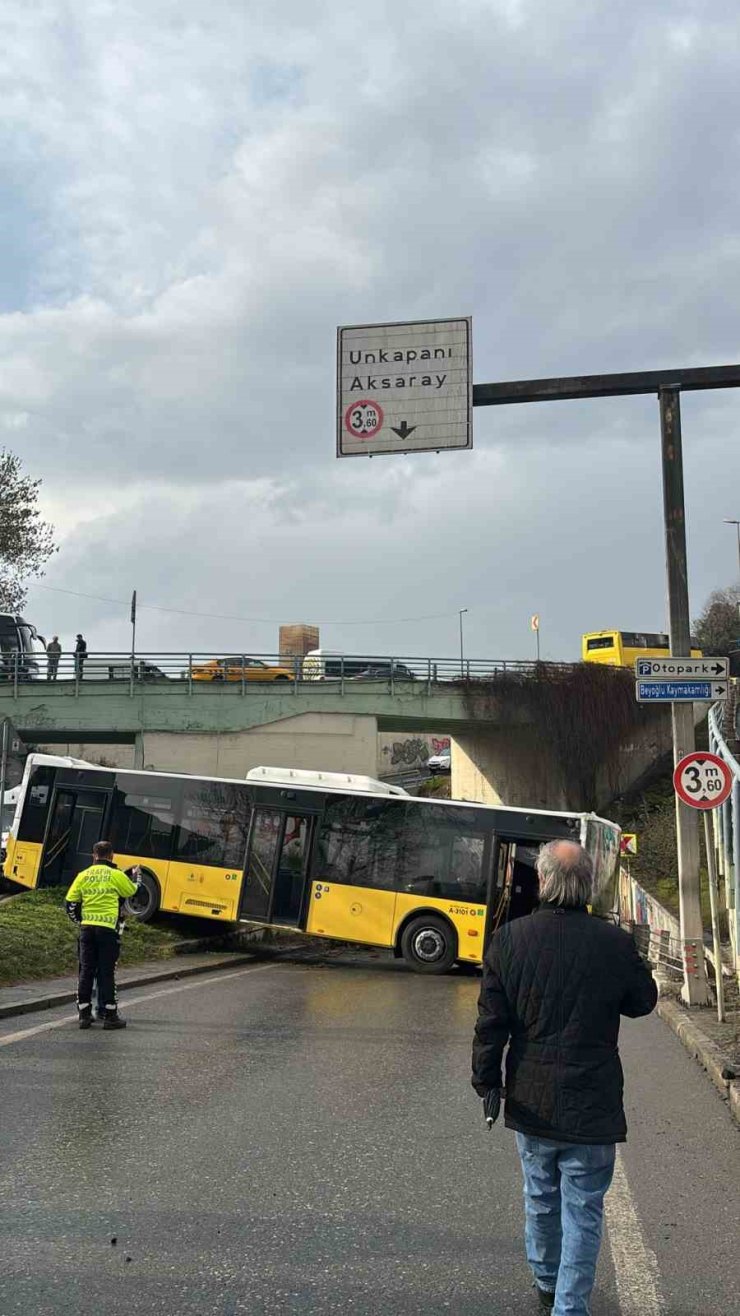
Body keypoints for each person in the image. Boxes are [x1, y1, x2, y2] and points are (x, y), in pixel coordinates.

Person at [471, 840, 657, 1315]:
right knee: (584, 1207)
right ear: (587, 885)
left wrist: (487, 1082)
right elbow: (642, 1002)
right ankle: (569, 1307)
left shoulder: (509, 940)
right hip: (592, 1100)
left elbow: (491, 1023)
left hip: (532, 1099)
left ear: (544, 881)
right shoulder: (615, 942)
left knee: (541, 1195)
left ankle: (547, 1281)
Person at [65, 840, 139, 1030]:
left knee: (86, 971)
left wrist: (80, 921)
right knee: (106, 972)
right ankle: (110, 1015)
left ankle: (84, 1015)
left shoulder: (83, 875)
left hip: (87, 930)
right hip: (107, 930)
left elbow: (70, 903)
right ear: (111, 855)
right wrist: (136, 878)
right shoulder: (115, 875)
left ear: (93, 855)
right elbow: (131, 891)